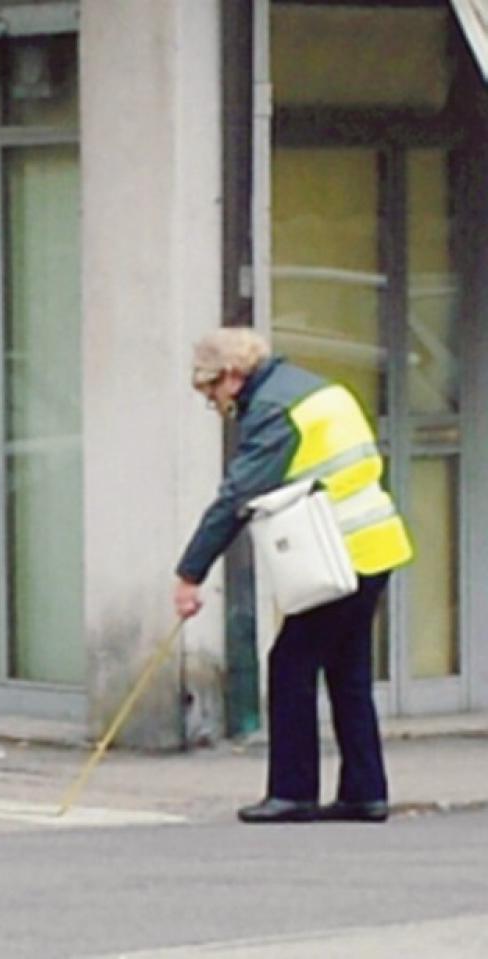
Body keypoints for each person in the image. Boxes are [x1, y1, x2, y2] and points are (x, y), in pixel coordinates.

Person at [174, 328, 413, 825]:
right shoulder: (314, 389)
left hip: (337, 555)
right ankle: (364, 792)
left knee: (289, 663)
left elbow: (236, 497)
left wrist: (190, 574)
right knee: (348, 673)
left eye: (210, 390)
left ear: (233, 376)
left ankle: (292, 792)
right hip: (375, 544)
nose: (212, 402)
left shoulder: (274, 412)